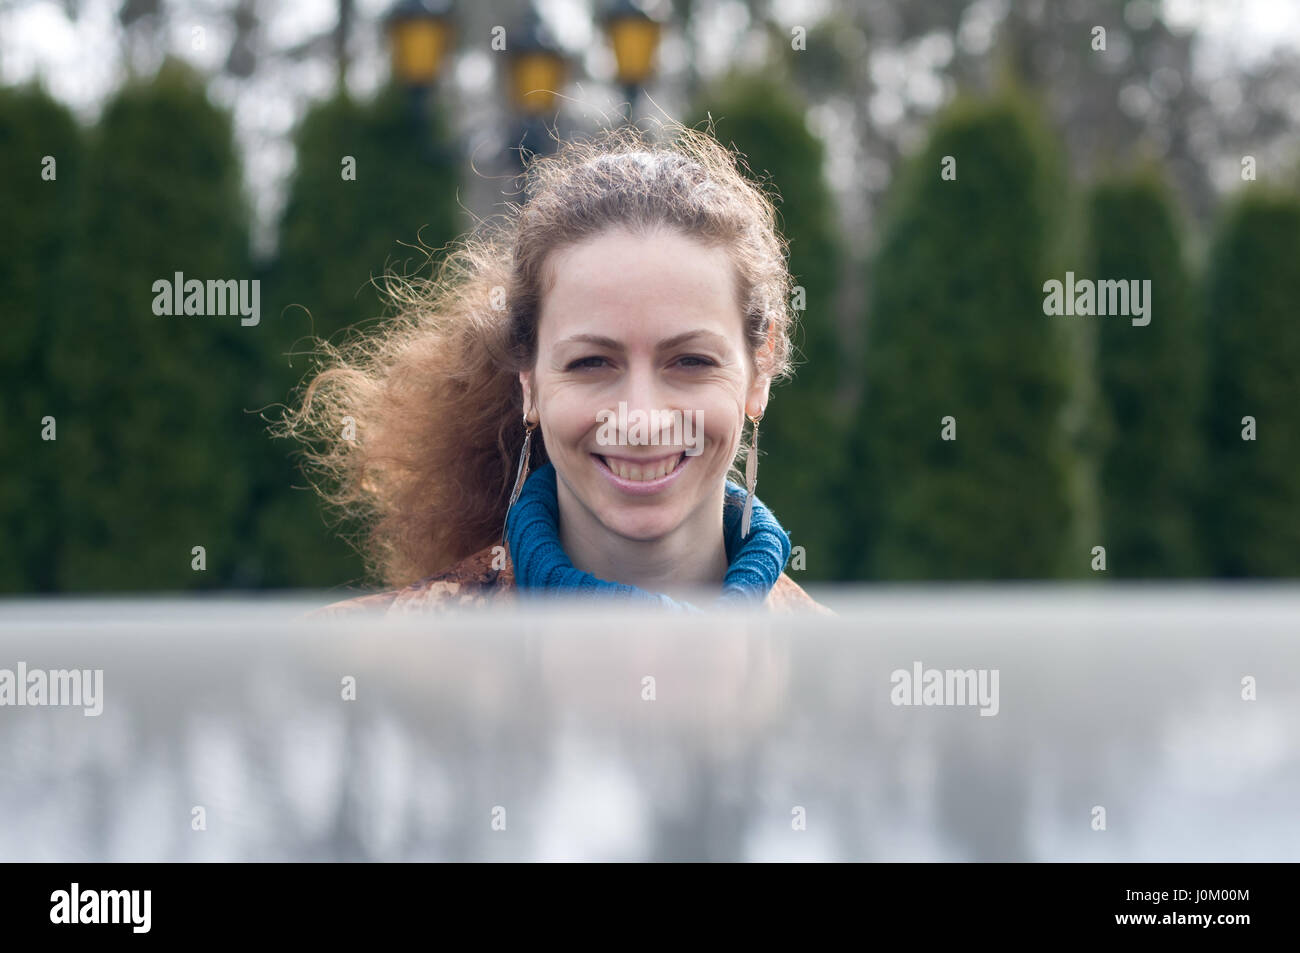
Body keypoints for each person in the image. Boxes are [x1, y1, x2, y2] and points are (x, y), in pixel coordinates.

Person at [283, 123, 831, 616]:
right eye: (592, 362)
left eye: (690, 361)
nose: (639, 421)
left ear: (759, 372)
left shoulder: (842, 679)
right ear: (529, 380)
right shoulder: (364, 658)